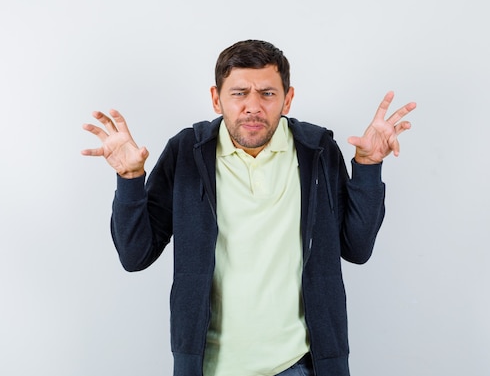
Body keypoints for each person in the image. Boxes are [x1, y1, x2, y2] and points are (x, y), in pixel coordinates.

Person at [82, 39, 416, 376]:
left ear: (288, 98)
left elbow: (357, 248)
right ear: (217, 98)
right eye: (239, 93)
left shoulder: (318, 150)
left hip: (301, 366)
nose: (253, 107)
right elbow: (135, 255)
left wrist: (368, 167)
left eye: (268, 94)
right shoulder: (187, 152)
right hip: (209, 367)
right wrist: (130, 177)